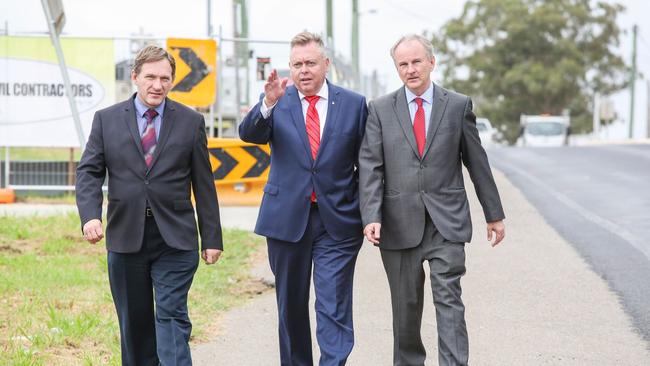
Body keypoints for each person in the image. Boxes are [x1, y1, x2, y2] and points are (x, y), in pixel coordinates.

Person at [358, 34, 506, 366]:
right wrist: (371, 215)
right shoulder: (380, 109)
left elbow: (476, 162)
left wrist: (493, 214)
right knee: (406, 311)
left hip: (446, 223)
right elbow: (370, 165)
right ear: (397, 68)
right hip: (398, 225)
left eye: (416, 62)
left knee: (449, 302)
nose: (411, 70)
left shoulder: (457, 105)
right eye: (403, 64)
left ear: (431, 62)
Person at [76, 45, 223, 366]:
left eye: (165, 78)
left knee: (171, 317)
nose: (158, 85)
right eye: (151, 77)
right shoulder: (107, 120)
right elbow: (88, 171)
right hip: (126, 237)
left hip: (176, 238)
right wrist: (90, 216)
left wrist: (211, 237)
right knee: (135, 325)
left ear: (172, 81)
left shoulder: (190, 121)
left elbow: (203, 183)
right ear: (135, 78)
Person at [239, 31, 368, 365]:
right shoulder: (277, 100)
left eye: (310, 63)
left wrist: (372, 215)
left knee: (333, 305)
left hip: (337, 222)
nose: (304, 71)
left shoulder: (354, 104)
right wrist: (266, 104)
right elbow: (249, 134)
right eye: (297, 65)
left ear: (326, 64)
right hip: (285, 220)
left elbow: (368, 164)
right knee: (291, 307)